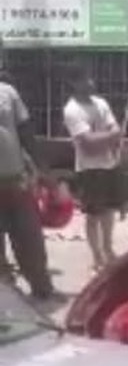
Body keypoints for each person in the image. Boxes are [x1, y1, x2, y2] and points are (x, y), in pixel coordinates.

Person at [0, 73, 57, 303]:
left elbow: (26, 134)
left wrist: (44, 171)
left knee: (29, 238)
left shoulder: (8, 92)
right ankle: (6, 293)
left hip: (14, 182)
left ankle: (41, 287)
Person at [63, 71, 123, 274]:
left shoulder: (100, 102)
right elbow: (88, 144)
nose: (90, 81)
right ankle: (96, 256)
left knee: (108, 211)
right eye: (83, 78)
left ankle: (108, 248)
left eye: (90, 77)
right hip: (89, 168)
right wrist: (110, 136)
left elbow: (117, 130)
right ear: (73, 82)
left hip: (109, 164)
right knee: (93, 214)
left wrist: (106, 138)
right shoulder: (72, 110)